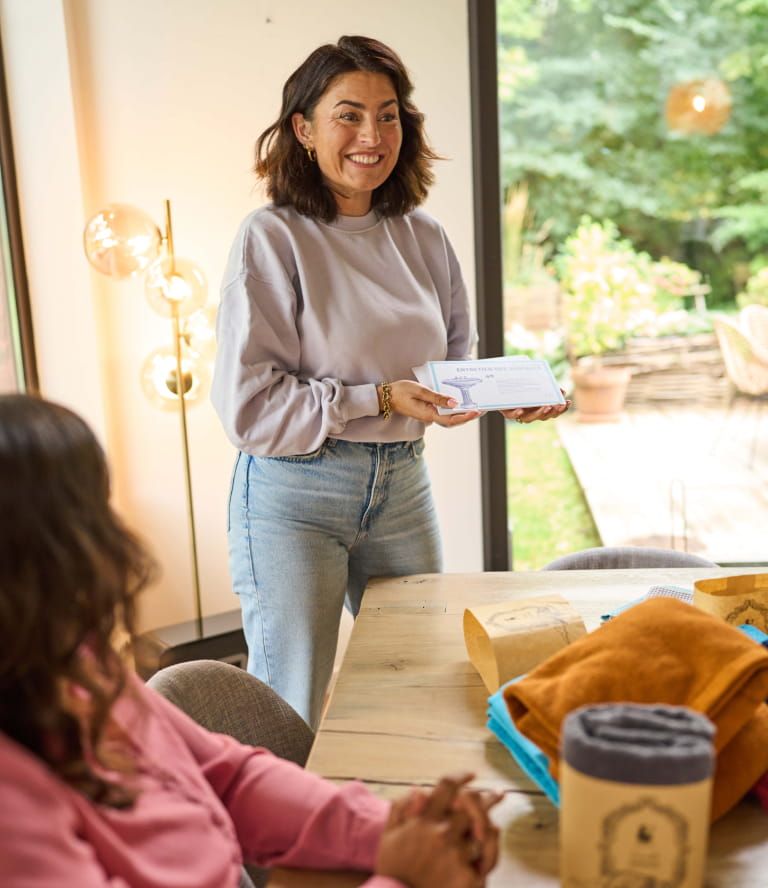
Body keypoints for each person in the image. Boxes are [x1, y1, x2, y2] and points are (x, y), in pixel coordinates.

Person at [211, 34, 569, 730]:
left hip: (402, 483)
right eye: (348, 114)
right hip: (294, 495)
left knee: (429, 676)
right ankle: (281, 840)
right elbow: (249, 410)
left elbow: (453, 364)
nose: (371, 135)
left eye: (388, 113)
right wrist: (376, 398)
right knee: (293, 702)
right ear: (303, 129)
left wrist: (508, 393)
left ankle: (401, 827)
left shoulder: (422, 234)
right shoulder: (271, 238)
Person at [0, 392, 500, 888]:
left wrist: (387, 828)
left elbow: (227, 777)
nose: (118, 538)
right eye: (92, 516)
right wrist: (405, 875)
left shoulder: (77, 665)